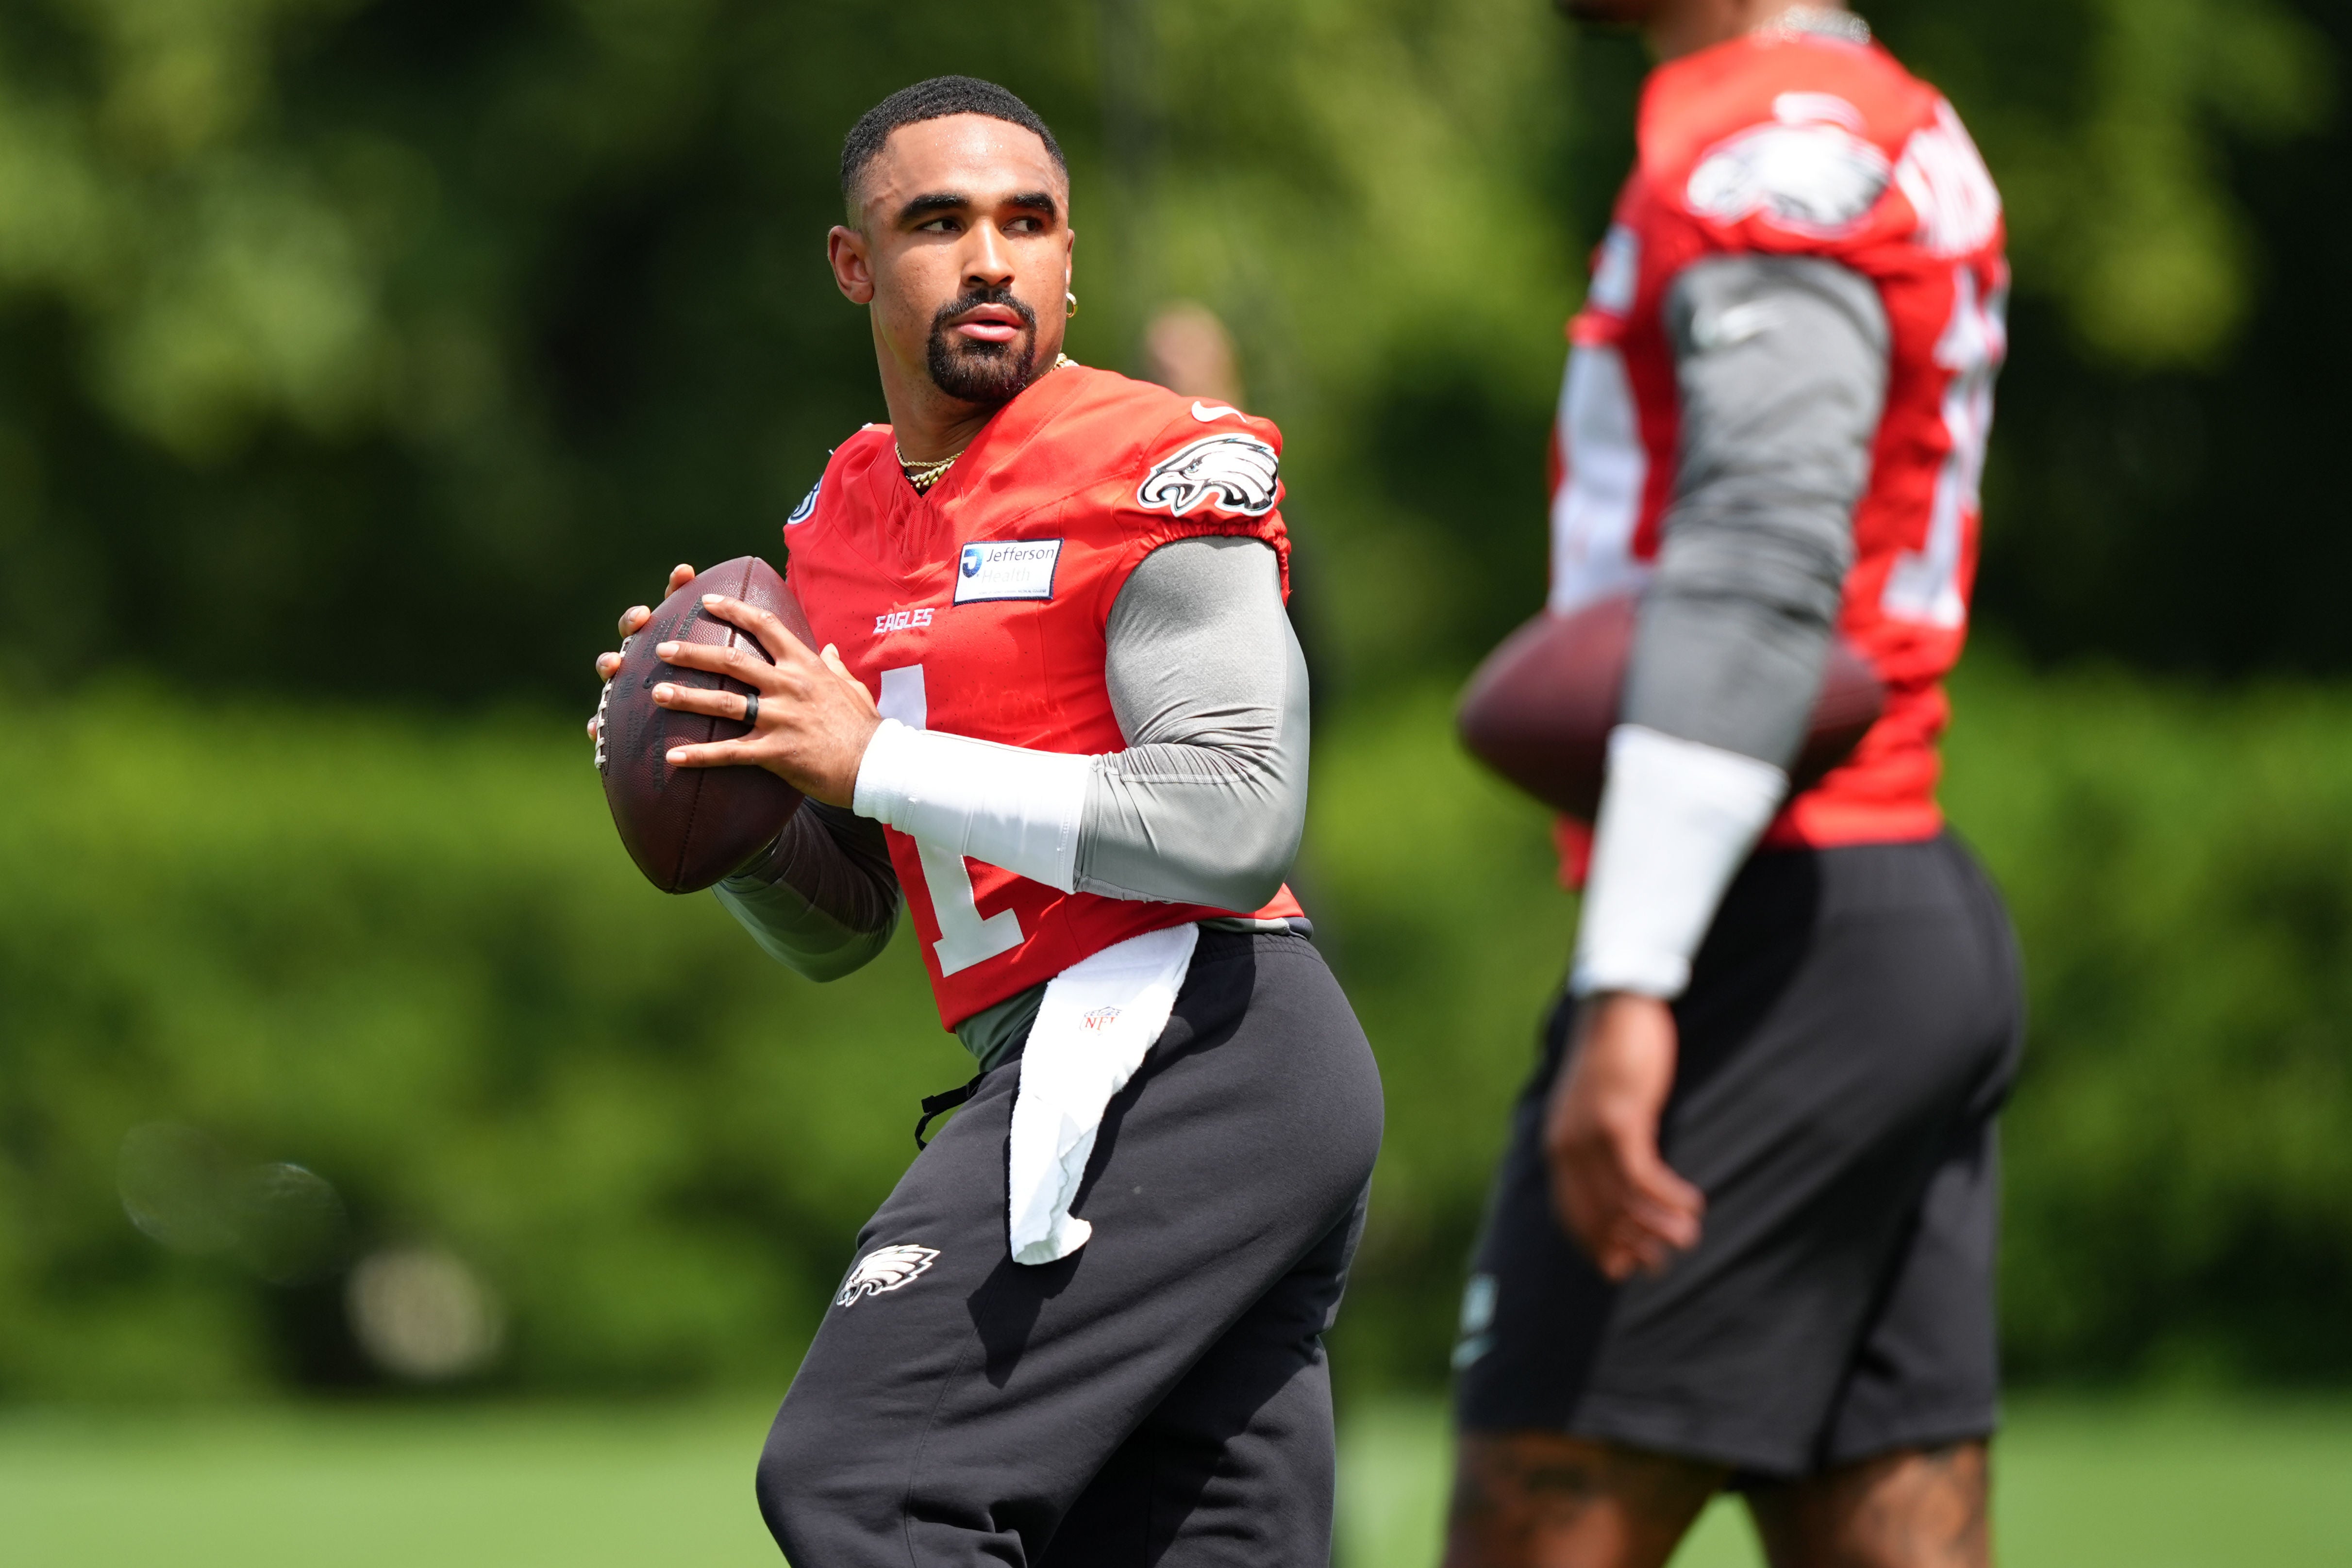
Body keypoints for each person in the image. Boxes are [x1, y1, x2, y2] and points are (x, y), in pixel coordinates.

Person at [587, 76, 1382, 1567]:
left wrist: (871, 754)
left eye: (1027, 223)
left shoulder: (1155, 460)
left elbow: (1233, 817)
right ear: (853, 265)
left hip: (1202, 1041)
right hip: (1068, 1051)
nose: (991, 259)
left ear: (1072, 258)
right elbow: (855, 926)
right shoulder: (835, 527)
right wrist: (735, 796)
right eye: (937, 224)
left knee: (869, 1486)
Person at [1446, 6, 2019, 1567]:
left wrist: (1633, 977)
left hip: (1767, 923)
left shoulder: (1772, 140)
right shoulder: (1869, 106)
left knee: (1528, 1528)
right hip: (1883, 897)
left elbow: (1769, 555)